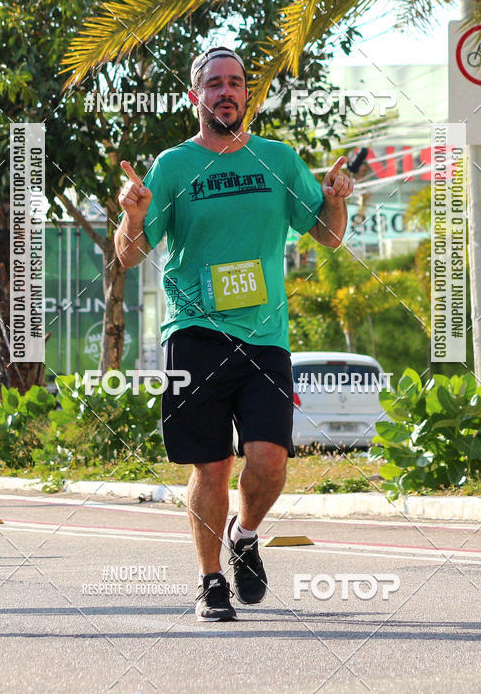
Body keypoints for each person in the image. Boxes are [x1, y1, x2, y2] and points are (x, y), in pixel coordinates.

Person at [114, 46, 354, 621]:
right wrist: (133, 215)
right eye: (214, 83)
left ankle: (244, 535)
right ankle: (210, 579)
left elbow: (327, 235)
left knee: (270, 459)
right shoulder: (173, 166)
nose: (226, 91)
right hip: (194, 330)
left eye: (236, 83)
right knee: (212, 466)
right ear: (195, 95)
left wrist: (336, 201)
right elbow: (128, 255)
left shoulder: (278, 159)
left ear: (248, 94)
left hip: (266, 335)